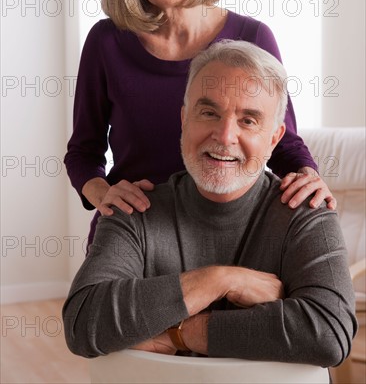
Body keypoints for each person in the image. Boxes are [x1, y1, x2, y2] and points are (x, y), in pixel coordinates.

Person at [64, 0, 335, 247]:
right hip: (134, 231)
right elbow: (83, 152)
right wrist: (103, 194)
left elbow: (280, 140)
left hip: (227, 234)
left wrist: (308, 175)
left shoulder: (253, 36)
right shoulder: (106, 42)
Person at [63, 40, 356, 365]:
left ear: (274, 139)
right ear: (184, 119)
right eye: (209, 112)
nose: (225, 134)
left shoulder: (307, 211)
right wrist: (220, 279)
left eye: (248, 120)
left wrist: (180, 333)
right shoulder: (133, 211)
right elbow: (83, 322)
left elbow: (328, 333)